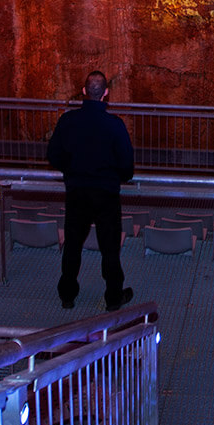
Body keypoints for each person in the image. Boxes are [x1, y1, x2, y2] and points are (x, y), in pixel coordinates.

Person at [46, 71, 135, 311]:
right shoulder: (115, 125)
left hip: (76, 192)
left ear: (84, 92)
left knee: (73, 244)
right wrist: (113, 175)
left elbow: (52, 155)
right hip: (106, 194)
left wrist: (73, 170)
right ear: (106, 93)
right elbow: (127, 166)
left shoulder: (68, 121)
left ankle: (67, 295)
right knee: (109, 248)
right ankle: (113, 297)